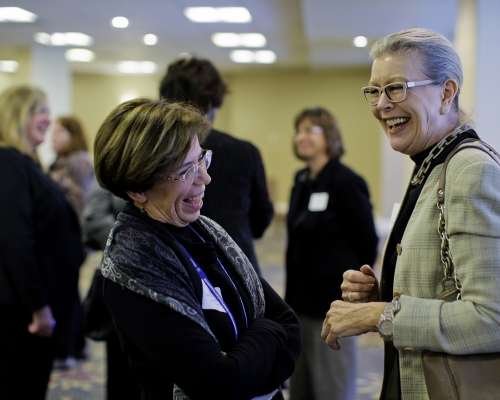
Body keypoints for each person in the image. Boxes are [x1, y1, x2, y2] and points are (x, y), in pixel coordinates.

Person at [321, 28, 500, 399]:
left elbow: (492, 318)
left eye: (397, 88)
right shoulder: (431, 163)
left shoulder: (468, 170)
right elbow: (447, 287)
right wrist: (382, 294)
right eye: (374, 90)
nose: (381, 105)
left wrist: (379, 315)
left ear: (446, 93)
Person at [93, 98, 301, 399]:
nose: (205, 178)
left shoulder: (206, 230)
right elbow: (218, 383)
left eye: (202, 159)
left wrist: (249, 352)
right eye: (186, 170)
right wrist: (269, 336)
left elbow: (289, 324)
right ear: (136, 188)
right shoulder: (133, 262)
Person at [286, 107, 378, 400]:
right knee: (302, 388)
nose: (302, 137)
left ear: (329, 136)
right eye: (299, 131)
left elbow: (367, 243)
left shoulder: (346, 181)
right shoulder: (301, 180)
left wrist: (355, 297)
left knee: (332, 389)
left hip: (332, 305)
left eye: (310, 130)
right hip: (299, 302)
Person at [0, 85, 84, 398]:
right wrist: (38, 308)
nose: (48, 120)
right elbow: (15, 240)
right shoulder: (8, 162)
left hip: (32, 310)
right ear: (18, 115)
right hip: (21, 315)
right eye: (41, 111)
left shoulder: (25, 162)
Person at [159, 56, 274, 274]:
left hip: (177, 263)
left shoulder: (157, 153)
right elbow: (261, 220)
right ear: (213, 100)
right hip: (237, 265)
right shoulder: (245, 151)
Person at [81, 177, 141, 400]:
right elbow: (93, 218)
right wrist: (136, 244)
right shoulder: (115, 170)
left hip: (171, 283)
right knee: (123, 371)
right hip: (124, 279)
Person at [50, 116, 94, 215]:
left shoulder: (79, 160)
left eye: (60, 131)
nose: (54, 136)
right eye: (53, 131)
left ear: (73, 136)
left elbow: (80, 200)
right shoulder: (56, 164)